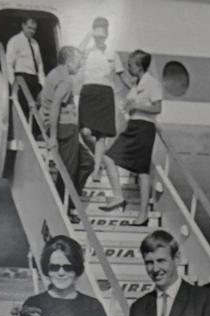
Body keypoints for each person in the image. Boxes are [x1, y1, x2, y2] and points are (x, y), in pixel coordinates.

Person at [101, 50, 163, 226]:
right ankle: (118, 196)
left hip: (144, 128)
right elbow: (130, 94)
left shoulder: (152, 84)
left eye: (131, 65)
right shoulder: (137, 84)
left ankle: (143, 214)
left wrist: (136, 106)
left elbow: (157, 108)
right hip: (134, 126)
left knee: (142, 171)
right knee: (109, 156)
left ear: (139, 66)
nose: (128, 69)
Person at [39, 46, 93, 207]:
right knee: (68, 171)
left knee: (87, 163)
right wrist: (53, 136)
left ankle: (70, 203)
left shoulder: (54, 74)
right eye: (78, 61)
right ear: (69, 61)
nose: (80, 64)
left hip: (63, 126)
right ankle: (63, 207)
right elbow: (56, 105)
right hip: (64, 127)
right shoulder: (66, 80)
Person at [77, 17, 126, 180]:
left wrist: (134, 89)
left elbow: (121, 75)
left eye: (104, 32)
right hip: (89, 91)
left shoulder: (112, 53)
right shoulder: (87, 50)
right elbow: (77, 53)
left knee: (101, 135)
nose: (101, 37)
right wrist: (90, 34)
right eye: (98, 32)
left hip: (105, 92)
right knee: (85, 131)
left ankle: (97, 169)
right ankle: (99, 159)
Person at [5, 17, 44, 117]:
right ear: (23, 25)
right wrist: (13, 83)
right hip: (21, 79)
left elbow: (39, 65)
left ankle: (34, 132)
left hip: (34, 80)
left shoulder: (35, 43)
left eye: (34, 29)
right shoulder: (14, 41)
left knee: (36, 109)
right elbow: (8, 64)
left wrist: (42, 84)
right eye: (29, 28)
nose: (32, 31)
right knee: (23, 109)